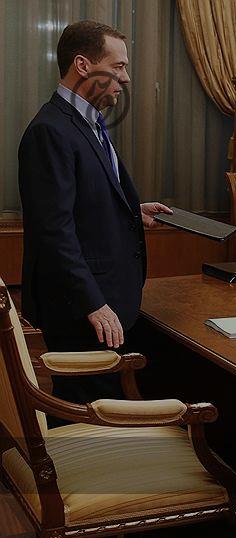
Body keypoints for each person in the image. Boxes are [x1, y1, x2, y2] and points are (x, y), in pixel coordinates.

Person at [18, 20, 171, 406]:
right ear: (83, 65)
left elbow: (79, 202)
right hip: (80, 308)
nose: (126, 78)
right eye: (118, 66)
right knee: (86, 406)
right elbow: (53, 232)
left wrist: (131, 211)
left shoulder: (87, 122)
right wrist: (94, 304)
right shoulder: (50, 130)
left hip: (106, 296)